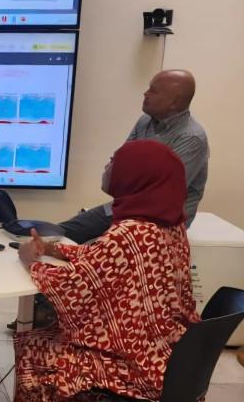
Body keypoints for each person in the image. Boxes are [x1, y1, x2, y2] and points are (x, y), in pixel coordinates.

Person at [13, 140, 199, 401]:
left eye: (114, 161)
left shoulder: (129, 232)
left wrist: (30, 261)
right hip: (170, 356)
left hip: (134, 369)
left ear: (134, 175)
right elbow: (101, 258)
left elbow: (74, 286)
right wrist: (54, 250)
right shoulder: (168, 226)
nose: (108, 166)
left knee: (33, 345)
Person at [60, 69, 209, 244]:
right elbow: (120, 168)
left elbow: (162, 193)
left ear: (174, 102)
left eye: (153, 90)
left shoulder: (191, 138)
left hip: (158, 223)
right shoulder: (145, 121)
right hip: (126, 208)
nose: (145, 94)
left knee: (88, 253)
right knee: (59, 233)